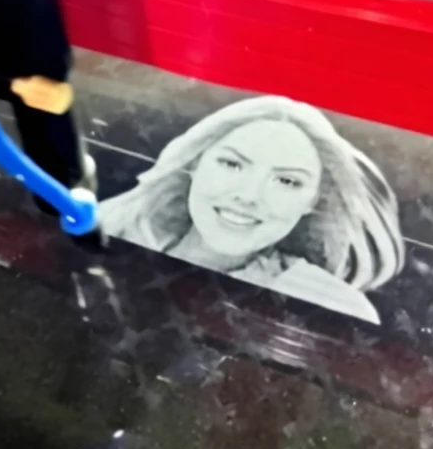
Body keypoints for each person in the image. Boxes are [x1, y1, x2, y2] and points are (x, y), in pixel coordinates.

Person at [100, 96, 405, 323]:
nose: (248, 196)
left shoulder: (331, 304)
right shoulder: (110, 231)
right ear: (194, 164)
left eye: (287, 181)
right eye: (232, 164)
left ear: (313, 202)